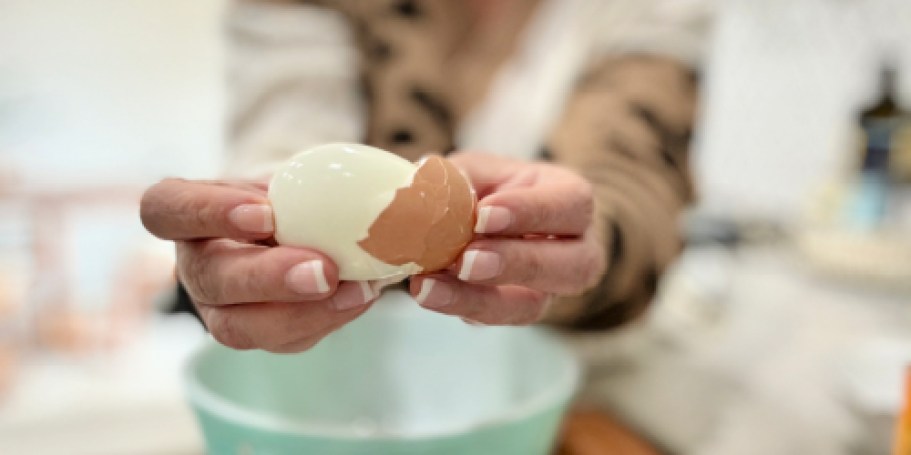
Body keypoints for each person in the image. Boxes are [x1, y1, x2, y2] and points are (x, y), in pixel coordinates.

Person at [140, 0, 709, 354]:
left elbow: (633, 176)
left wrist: (583, 238)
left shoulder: (650, 8)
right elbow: (292, 141)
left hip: (560, 378)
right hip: (345, 372)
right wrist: (255, 229)